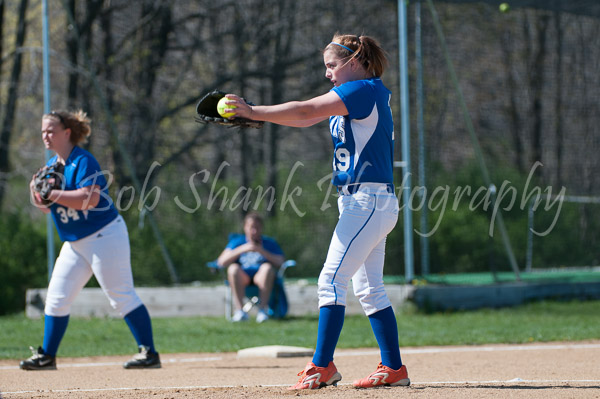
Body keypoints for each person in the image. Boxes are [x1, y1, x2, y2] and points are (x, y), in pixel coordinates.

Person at [223, 34, 410, 389]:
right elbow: (307, 117)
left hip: (367, 201)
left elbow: (307, 110)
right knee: (369, 289)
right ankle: (393, 368)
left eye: (332, 65)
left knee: (330, 281)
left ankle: (322, 365)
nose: (328, 73)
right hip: (367, 202)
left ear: (354, 62)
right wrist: (261, 118)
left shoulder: (363, 89)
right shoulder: (361, 92)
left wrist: (253, 111)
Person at [20, 110, 160, 370]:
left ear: (67, 132)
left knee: (120, 295)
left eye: (51, 130)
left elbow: (90, 199)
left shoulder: (83, 161)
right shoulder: (52, 166)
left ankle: (149, 353)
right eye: (43, 131)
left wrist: (52, 192)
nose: (45, 136)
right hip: (75, 242)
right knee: (57, 298)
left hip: (104, 236)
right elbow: (46, 207)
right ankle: (47, 355)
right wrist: (37, 194)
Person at [216, 212, 285, 323]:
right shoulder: (237, 242)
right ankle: (240, 312)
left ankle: (262, 311)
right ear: (245, 227)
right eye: (252, 227)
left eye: (257, 228)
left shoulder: (269, 243)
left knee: (267, 268)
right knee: (233, 269)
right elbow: (221, 262)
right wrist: (243, 249)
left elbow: (281, 262)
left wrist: (260, 250)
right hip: (242, 278)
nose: (254, 231)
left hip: (261, 277)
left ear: (261, 228)